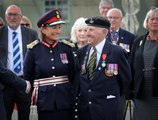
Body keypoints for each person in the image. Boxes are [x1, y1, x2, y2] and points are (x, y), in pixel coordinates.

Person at [23, 9, 77, 120]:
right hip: (43, 104)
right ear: (43, 29)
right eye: (54, 28)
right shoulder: (33, 50)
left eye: (59, 27)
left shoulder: (66, 48)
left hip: (65, 102)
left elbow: (74, 76)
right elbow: (28, 77)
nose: (58, 31)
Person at [77, 16, 132, 120]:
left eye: (91, 30)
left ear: (104, 32)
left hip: (108, 111)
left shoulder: (117, 52)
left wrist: (110, 96)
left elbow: (126, 81)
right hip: (86, 111)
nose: (87, 33)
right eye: (87, 29)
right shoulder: (82, 52)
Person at [0, 4, 38, 120]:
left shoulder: (31, 34)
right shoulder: (0, 33)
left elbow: (36, 58)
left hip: (24, 82)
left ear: (21, 17)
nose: (13, 18)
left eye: (15, 15)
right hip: (4, 84)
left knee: (25, 116)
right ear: (6, 17)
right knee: (4, 116)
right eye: (10, 15)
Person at [130, 7, 158, 120]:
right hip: (141, 92)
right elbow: (131, 65)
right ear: (147, 21)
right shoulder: (138, 41)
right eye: (152, 19)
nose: (155, 21)